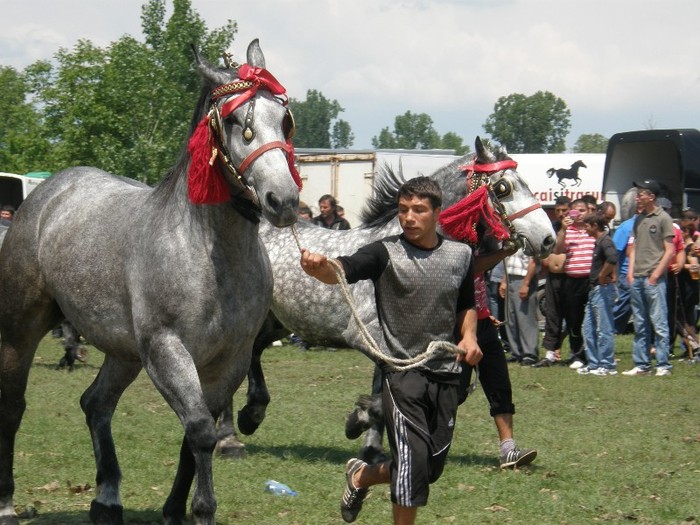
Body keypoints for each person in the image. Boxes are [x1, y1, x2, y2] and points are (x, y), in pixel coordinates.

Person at [300, 176, 481, 524]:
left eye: (418, 210)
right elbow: (342, 269)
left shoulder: (461, 255)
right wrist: (321, 268)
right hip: (403, 375)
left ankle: (362, 476)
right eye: (403, 210)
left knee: (429, 466)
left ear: (437, 212)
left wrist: (469, 337)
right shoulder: (385, 252)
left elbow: (466, 305)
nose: (409, 217)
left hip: (448, 375)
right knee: (412, 467)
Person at [623, 180, 675, 376]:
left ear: (651, 196)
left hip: (654, 279)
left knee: (659, 322)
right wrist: (630, 272)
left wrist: (655, 274)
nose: (638, 197)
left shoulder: (663, 218)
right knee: (639, 322)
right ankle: (642, 364)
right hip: (636, 277)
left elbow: (669, 250)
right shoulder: (638, 219)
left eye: (641, 194)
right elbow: (633, 247)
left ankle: (663, 365)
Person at [552, 199, 595, 368]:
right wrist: (563, 229)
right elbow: (557, 250)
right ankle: (577, 354)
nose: (579, 214)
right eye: (576, 211)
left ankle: (593, 353)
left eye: (582, 210)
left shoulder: (593, 229)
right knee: (573, 320)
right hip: (572, 280)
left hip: (590, 280)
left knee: (593, 319)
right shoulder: (567, 230)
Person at [578, 212, 618, 375]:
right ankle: (594, 363)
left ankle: (607, 364)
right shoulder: (598, 242)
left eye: (586, 226)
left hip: (602, 290)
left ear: (595, 226)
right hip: (594, 290)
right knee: (588, 328)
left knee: (604, 328)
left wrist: (603, 275)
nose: (585, 230)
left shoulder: (605, 240)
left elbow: (613, 258)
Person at [534, 196, 570, 367]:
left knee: (573, 317)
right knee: (552, 315)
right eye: (558, 211)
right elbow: (553, 250)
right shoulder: (553, 228)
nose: (561, 214)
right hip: (553, 277)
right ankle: (550, 353)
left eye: (564, 210)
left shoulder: (578, 228)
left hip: (571, 278)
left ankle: (577, 353)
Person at [499, 247, 539, 365]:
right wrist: (504, 281)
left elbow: (534, 262)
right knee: (511, 318)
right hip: (510, 277)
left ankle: (530, 354)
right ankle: (516, 352)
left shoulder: (529, 240)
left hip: (523, 278)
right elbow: (507, 260)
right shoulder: (511, 238)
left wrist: (526, 284)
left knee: (525, 318)